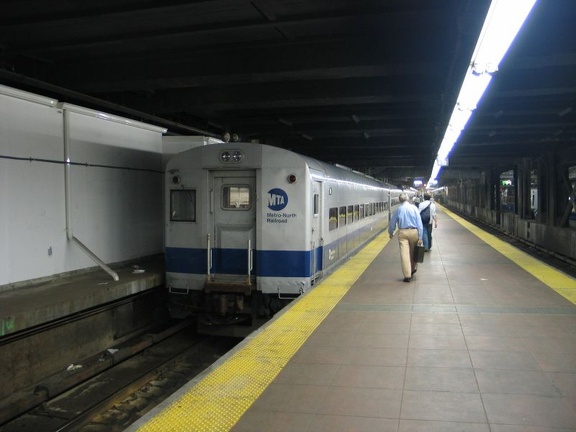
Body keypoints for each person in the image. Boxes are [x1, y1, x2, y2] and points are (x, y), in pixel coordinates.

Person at [388, 193, 423, 282]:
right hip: (414, 231)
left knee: (404, 254)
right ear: (407, 199)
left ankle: (407, 275)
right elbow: (419, 223)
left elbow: (392, 222)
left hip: (403, 232)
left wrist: (391, 232)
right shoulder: (414, 208)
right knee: (413, 252)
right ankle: (413, 268)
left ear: (400, 200)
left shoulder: (399, 209)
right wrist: (420, 236)